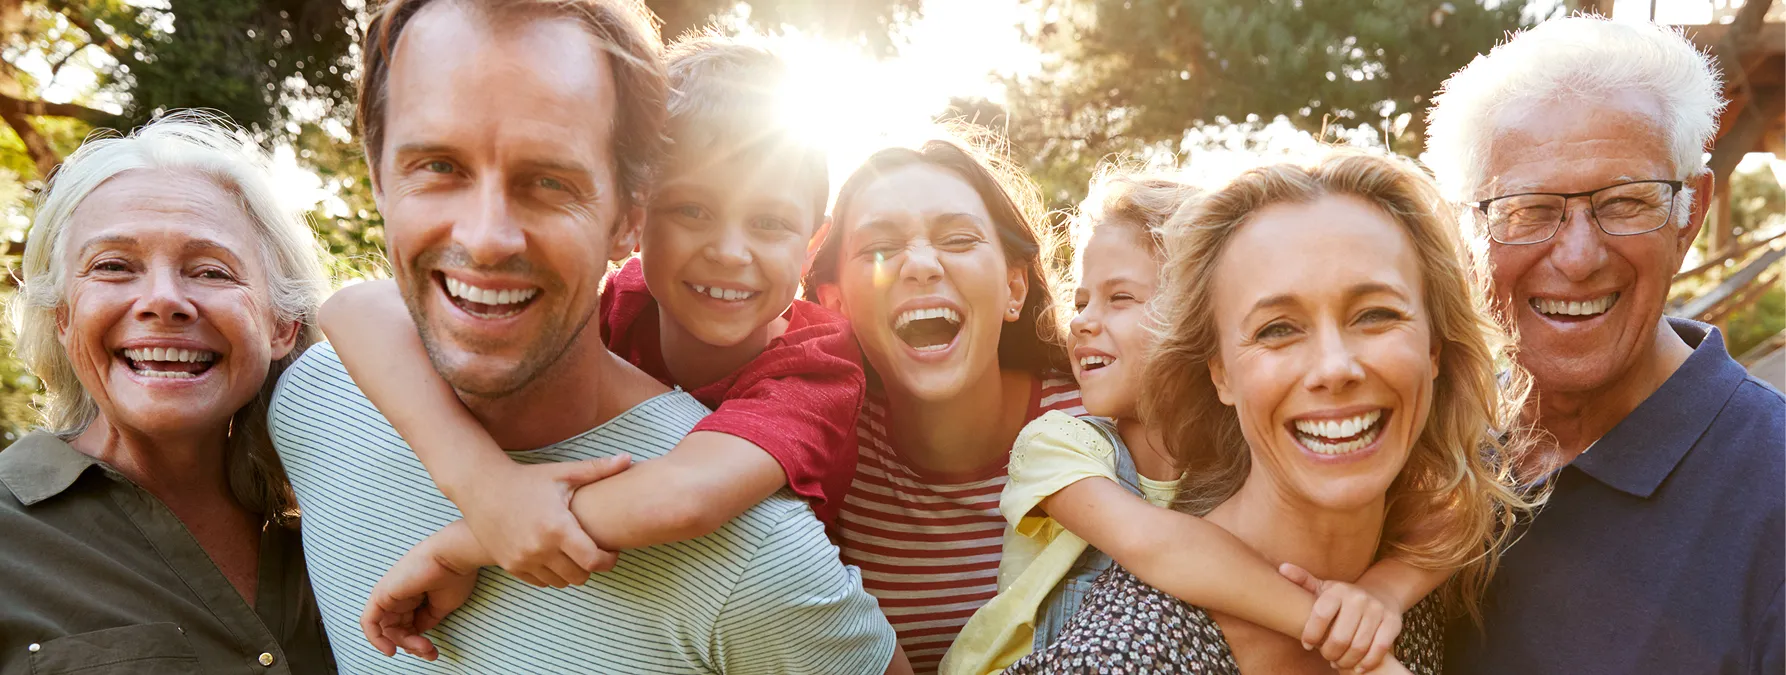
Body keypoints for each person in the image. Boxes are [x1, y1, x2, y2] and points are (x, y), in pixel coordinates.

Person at [268, 1, 899, 672]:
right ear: (642, 221)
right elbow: (353, 306)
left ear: (811, 246)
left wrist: (474, 538)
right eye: (691, 210)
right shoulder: (624, 299)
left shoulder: (812, 370)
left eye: (549, 180)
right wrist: (482, 483)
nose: (728, 251)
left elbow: (684, 496)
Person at [1005, 150, 1531, 674]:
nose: (1334, 367)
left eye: (1375, 315)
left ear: (1435, 348)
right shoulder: (1127, 652)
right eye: (1277, 328)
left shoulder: (1417, 569)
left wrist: (1385, 593)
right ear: (1220, 374)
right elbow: (1154, 544)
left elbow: (1475, 492)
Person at [1424, 16, 1784, 673]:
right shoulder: (1428, 459)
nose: (1579, 257)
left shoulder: (1772, 494)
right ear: (1465, 234)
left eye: (1624, 202)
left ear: (1690, 213)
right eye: (1529, 208)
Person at [0, 111, 334, 673]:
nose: (163, 300)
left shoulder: (350, 515)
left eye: (211, 271)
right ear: (63, 317)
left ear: (283, 324)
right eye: (113, 266)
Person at [804, 134, 1083, 673]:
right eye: (880, 247)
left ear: (1014, 288)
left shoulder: (1104, 423)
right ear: (834, 302)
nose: (920, 264)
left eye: (957, 239)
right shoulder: (817, 451)